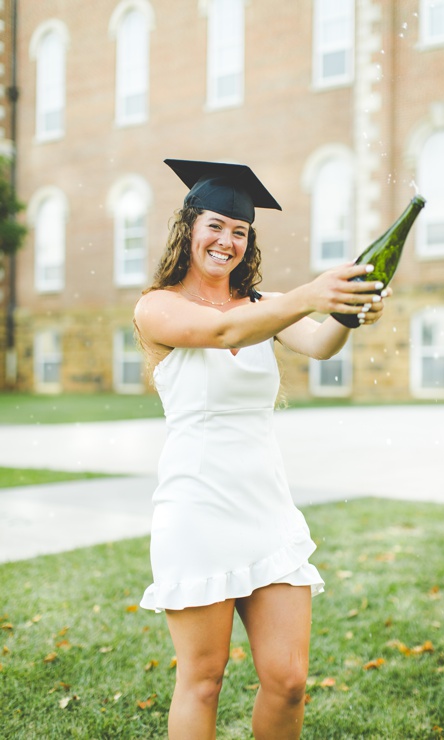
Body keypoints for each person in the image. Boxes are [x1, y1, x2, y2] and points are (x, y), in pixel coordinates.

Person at [133, 159, 389, 739]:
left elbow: (321, 343)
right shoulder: (157, 306)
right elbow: (223, 333)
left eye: (240, 231)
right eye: (216, 226)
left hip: (266, 507)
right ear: (188, 228)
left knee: (288, 679)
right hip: (196, 509)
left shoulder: (262, 305)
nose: (227, 241)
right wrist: (312, 291)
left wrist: (349, 307)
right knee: (203, 678)